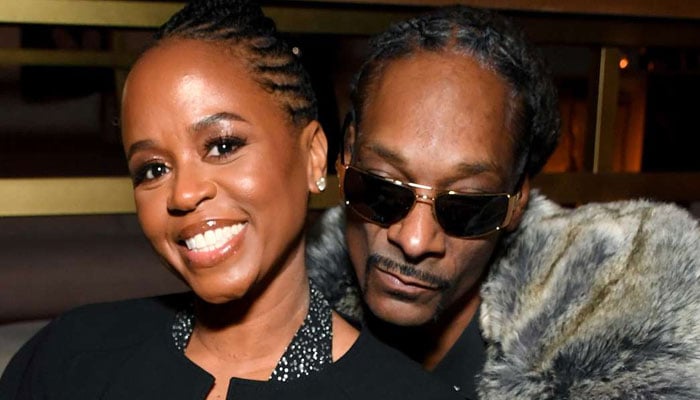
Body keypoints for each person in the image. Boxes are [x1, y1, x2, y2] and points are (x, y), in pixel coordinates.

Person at [0, 1, 462, 399]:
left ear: (312, 156)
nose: (183, 193)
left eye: (222, 146)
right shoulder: (69, 356)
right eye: (153, 169)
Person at [307, 5, 700, 400]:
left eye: (465, 207)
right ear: (346, 156)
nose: (414, 240)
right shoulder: (298, 315)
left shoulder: (608, 344)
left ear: (517, 200)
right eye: (383, 188)